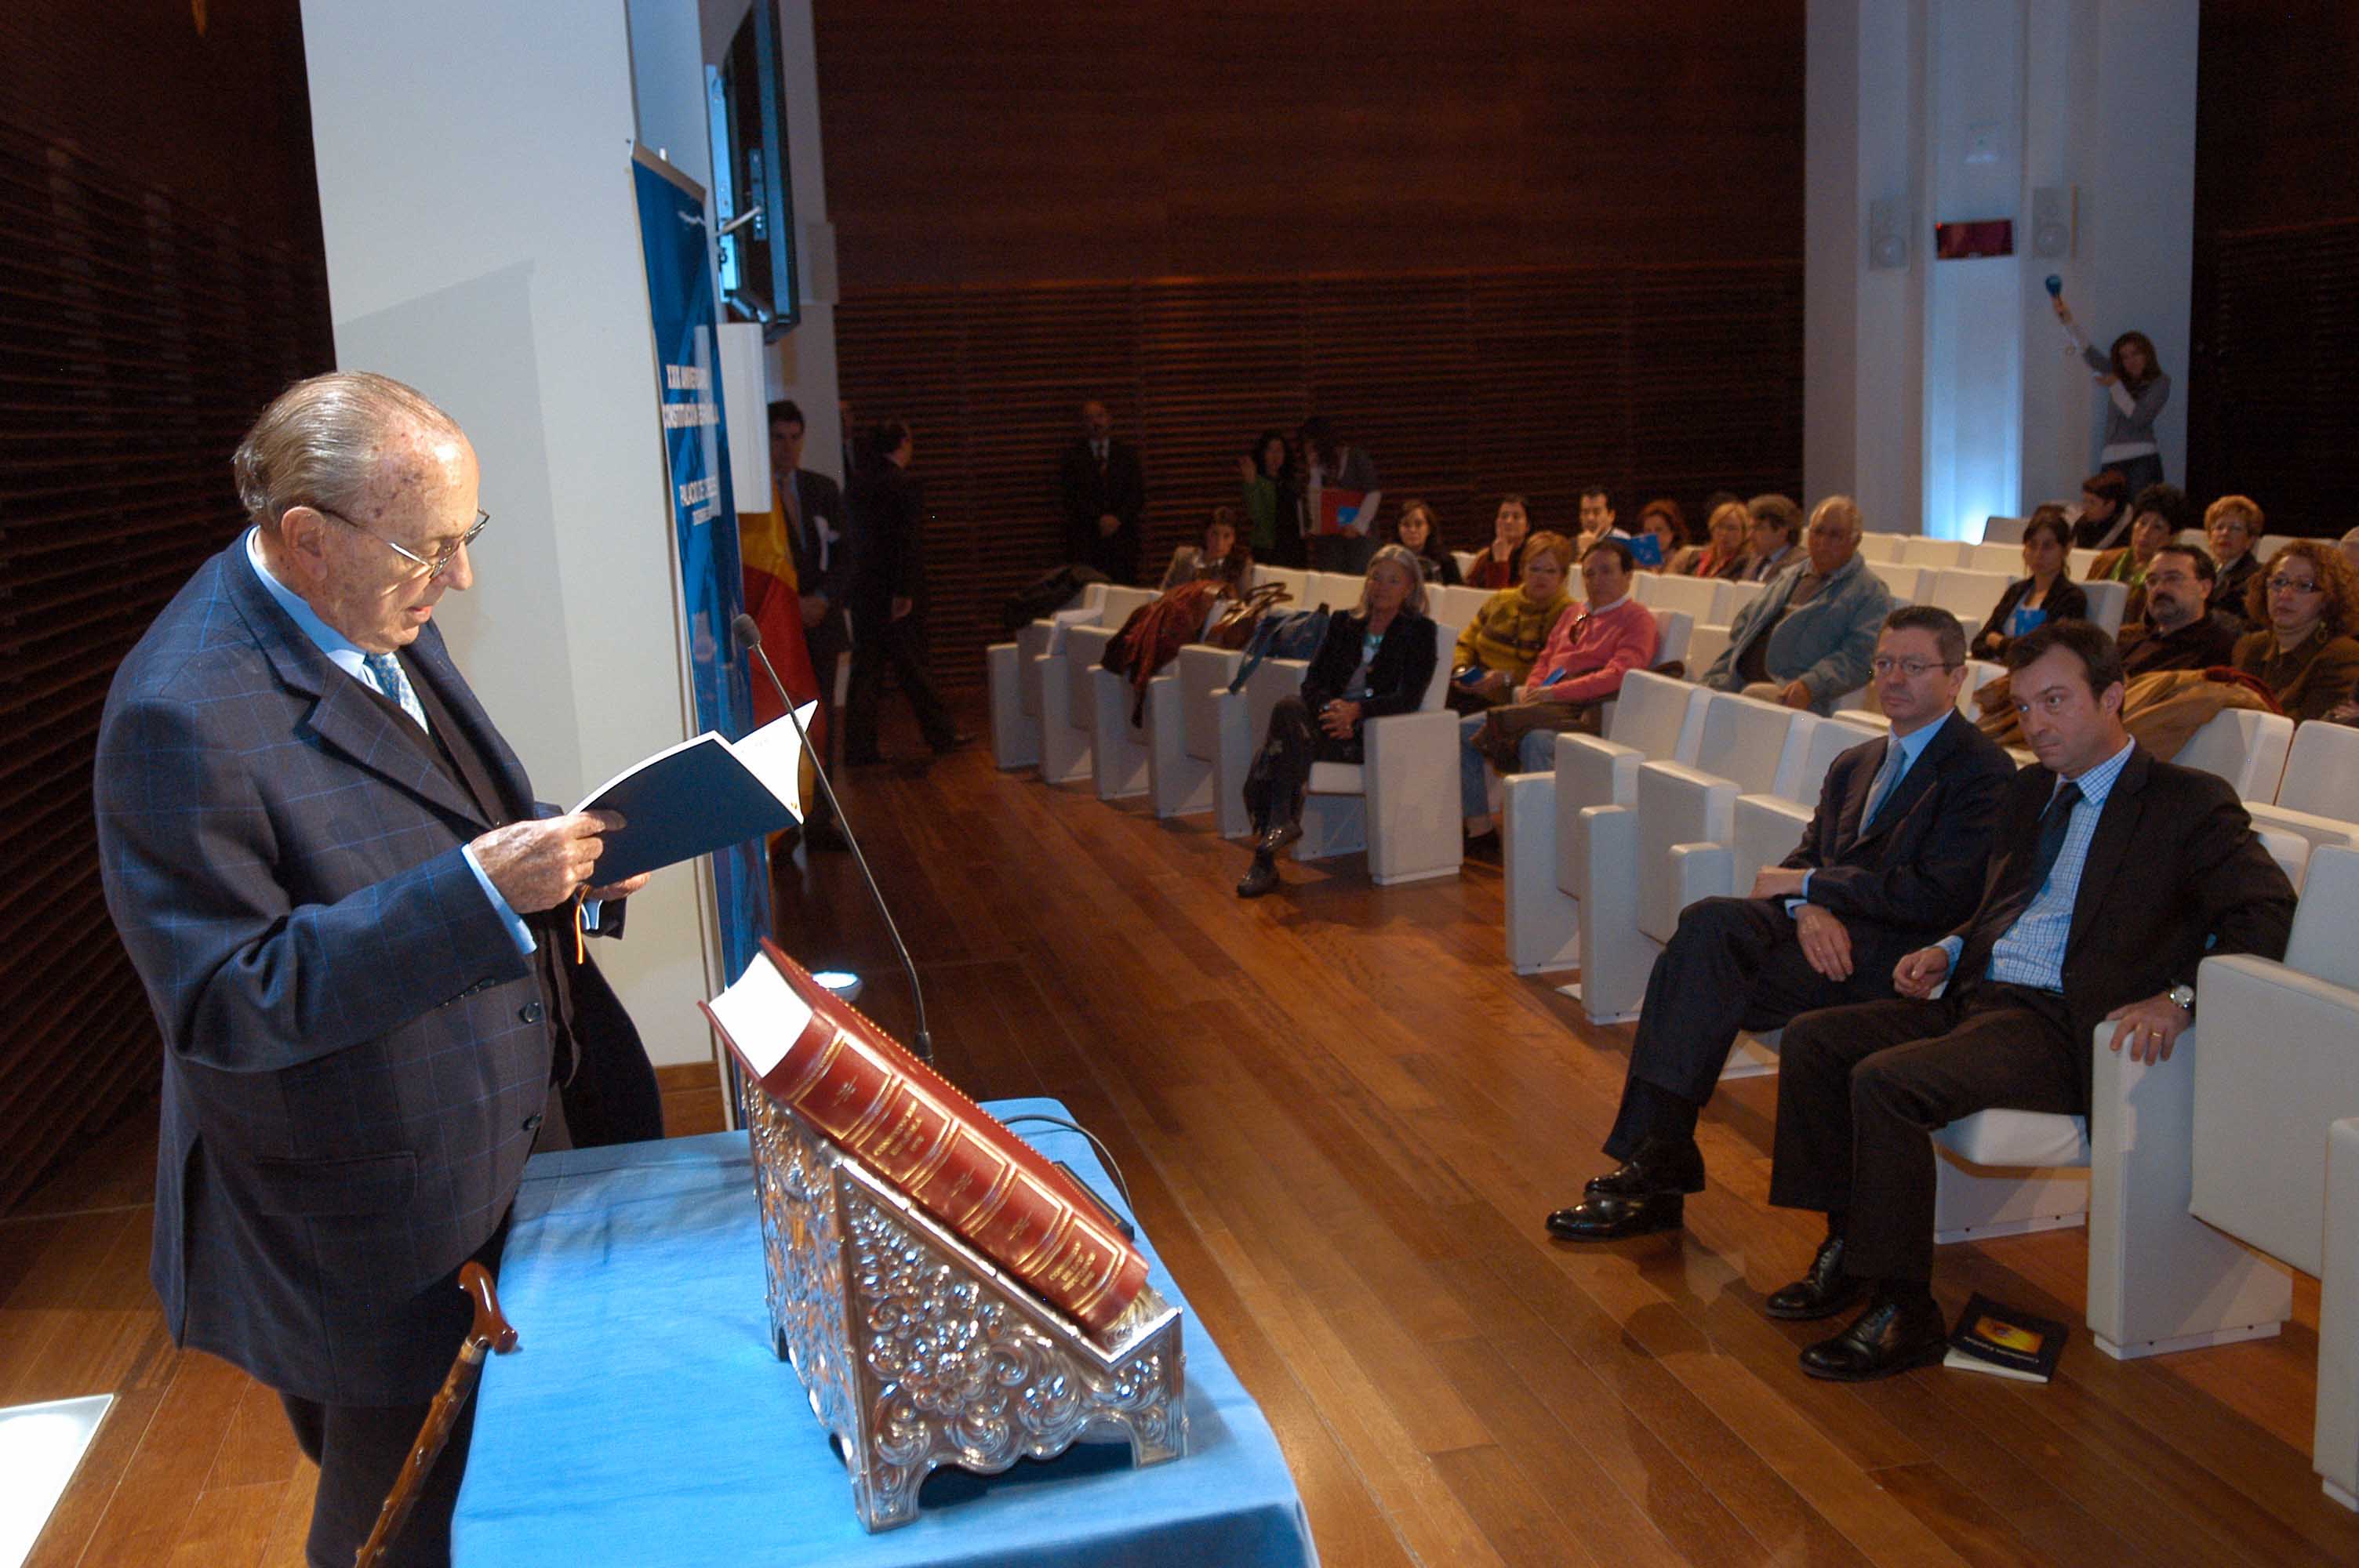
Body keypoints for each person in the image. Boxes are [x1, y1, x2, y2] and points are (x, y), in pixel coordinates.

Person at [93, 372, 665, 1568]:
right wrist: (476, 896)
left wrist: (560, 860)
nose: (459, 578)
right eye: (434, 546)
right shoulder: (180, 713)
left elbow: (408, 821)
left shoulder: (375, 599)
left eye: (469, 537)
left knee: (505, 1488)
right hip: (372, 1222)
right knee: (402, 1524)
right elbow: (228, 1000)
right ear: (306, 536)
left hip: (500, 1140)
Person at [1763, 619, 2294, 1381]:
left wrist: (2179, 996)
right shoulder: (2027, 789)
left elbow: (2264, 911)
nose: (2036, 723)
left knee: (1884, 1081)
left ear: (2112, 697)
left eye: (2055, 700)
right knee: (1815, 1038)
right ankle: (1847, 1249)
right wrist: (1945, 947)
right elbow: (2000, 901)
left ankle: (1904, 1308)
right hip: (1981, 995)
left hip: (2061, 1024)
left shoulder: (2184, 801)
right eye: (2024, 704)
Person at [1546, 608, 2012, 1240]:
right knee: (1707, 929)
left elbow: (1937, 894)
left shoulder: (1980, 771)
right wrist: (1808, 907)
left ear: (1956, 677)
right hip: (1820, 943)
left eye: (1914, 665)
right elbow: (1798, 863)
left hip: (1897, 964)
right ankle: (1658, 1155)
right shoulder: (1857, 761)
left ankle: (1658, 1167)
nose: (1894, 678)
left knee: (1702, 967)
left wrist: (1814, 886)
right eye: (1883, 664)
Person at [1236, 546, 1438, 898]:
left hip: (1369, 737)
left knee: (1280, 748)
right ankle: (1276, 832)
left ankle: (1267, 852)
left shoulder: (1420, 631)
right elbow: (1312, 683)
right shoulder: (1344, 622)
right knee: (1288, 707)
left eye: (1394, 580)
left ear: (1409, 588)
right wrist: (1333, 710)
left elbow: (1409, 698)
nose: (1382, 586)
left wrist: (1357, 714)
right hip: (1327, 725)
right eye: (1376, 576)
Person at [1459, 538, 1658, 838]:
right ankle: (1480, 827)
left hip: (1585, 712)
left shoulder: (1636, 618)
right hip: (1546, 706)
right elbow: (1548, 657)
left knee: (1535, 741)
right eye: (1590, 574)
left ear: (1629, 576)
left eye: (1607, 571)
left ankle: (1538, 839)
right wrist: (1534, 688)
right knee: (1461, 732)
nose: (1597, 581)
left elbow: (1619, 675)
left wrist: (1556, 693)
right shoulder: (1578, 613)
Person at [742, 398, 851, 851]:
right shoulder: (751, 502)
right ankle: (783, 832)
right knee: (777, 727)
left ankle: (822, 817)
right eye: (777, 439)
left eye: (793, 438)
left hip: (820, 623)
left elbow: (849, 555)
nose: (786, 448)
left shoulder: (822, 489)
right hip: (776, 632)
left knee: (819, 722)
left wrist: (822, 599)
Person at [845, 421, 971, 764]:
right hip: (896, 590)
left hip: (866, 590)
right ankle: (941, 734)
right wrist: (905, 589)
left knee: (866, 668)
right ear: (903, 443)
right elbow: (907, 542)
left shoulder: (858, 484)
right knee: (914, 666)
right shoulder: (905, 485)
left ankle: (858, 746)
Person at [1703, 495, 1892, 714]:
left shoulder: (1869, 593)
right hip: (1738, 680)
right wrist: (1717, 675)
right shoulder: (1790, 576)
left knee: (1746, 698)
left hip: (1793, 694)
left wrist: (1811, 684)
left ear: (1855, 540)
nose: (1822, 543)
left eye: (1835, 535)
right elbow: (1744, 626)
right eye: (1818, 532)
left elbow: (1861, 658)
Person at [1447, 531, 1576, 714]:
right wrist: (1461, 669)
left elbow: (1559, 670)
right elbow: (1464, 643)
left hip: (1518, 701)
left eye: (1550, 571)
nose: (1541, 577)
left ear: (1563, 576)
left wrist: (1507, 677)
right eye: (1534, 569)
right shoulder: (1501, 600)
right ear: (1522, 570)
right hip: (1472, 687)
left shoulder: (1570, 613)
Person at [2230, 539, 2359, 722]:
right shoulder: (2250, 645)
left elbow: (2304, 731)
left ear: (2329, 598)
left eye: (2303, 586)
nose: (2284, 595)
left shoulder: (2343, 656)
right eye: (2279, 582)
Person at [2052, 296, 2171, 494]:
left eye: (2136, 354)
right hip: (2111, 459)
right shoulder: (2118, 376)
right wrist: (2068, 322)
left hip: (2142, 459)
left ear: (2146, 354)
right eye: (2125, 357)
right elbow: (2091, 355)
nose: (2131, 361)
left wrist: (2115, 386)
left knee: (2138, 516)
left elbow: (2140, 418)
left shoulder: (2159, 382)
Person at [1972, 506, 2087, 659]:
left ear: (2065, 550)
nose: (2038, 554)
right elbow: (1979, 644)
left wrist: (1999, 642)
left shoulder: (2071, 598)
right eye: (2032, 546)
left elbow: (2045, 651)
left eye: (2048, 546)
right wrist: (2008, 646)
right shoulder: (2016, 591)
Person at [2114, 543, 2241, 677]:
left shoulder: (2221, 653)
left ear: (2204, 589)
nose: (2159, 588)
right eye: (2152, 581)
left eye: (2173, 579)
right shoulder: (2127, 640)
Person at [1058, 398, 1148, 584]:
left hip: (1123, 540)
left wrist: (1117, 519)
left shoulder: (1127, 455)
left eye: (1100, 416)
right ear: (1083, 424)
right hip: (1087, 542)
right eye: (1090, 418)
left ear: (1109, 419)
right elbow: (1070, 498)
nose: (1096, 423)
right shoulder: (1072, 458)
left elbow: (1137, 494)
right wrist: (1098, 519)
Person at [2088, 481, 2190, 624]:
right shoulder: (2105, 560)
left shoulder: (2169, 576)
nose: (2145, 533)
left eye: (2157, 527)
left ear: (2173, 536)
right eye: (2142, 523)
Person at [1298, 415, 1381, 573]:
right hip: (1330, 542)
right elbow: (1315, 505)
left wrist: (1358, 525)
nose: (1308, 448)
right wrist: (1314, 471)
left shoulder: (1355, 456)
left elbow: (1374, 493)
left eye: (1311, 442)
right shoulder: (1316, 467)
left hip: (1359, 538)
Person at [2205, 494, 2266, 633]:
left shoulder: (2257, 579)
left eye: (2235, 528)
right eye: (2219, 527)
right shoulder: (2200, 571)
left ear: (2250, 540)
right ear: (2209, 537)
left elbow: (2251, 628)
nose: (2225, 533)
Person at [1160, 506, 1253, 590]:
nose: (1219, 543)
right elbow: (1163, 593)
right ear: (1205, 533)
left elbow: (1244, 604)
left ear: (1234, 539)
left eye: (1227, 536)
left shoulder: (1241, 564)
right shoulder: (1183, 557)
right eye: (1214, 534)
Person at [1238, 429, 1289, 563]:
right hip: (1266, 548)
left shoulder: (1290, 481)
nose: (1275, 456)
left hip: (1291, 546)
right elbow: (1255, 514)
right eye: (1270, 450)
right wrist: (1251, 482)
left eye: (1279, 450)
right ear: (1263, 453)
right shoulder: (1255, 481)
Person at [1465, 495, 1533, 589]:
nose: (1509, 521)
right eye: (1504, 516)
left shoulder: (1533, 559)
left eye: (1516, 517)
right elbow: (1467, 591)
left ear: (1528, 526)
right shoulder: (1484, 556)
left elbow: (1504, 600)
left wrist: (1501, 562)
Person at [1394, 497, 1461, 585]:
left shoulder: (1446, 562)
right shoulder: (1390, 561)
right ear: (1398, 530)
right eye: (1406, 525)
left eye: (1418, 524)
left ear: (1429, 529)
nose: (1412, 530)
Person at [1681, 499, 1752, 580]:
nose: (1724, 533)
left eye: (1732, 528)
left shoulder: (1746, 564)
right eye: (1720, 526)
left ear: (1745, 532)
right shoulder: (1696, 558)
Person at [1742, 493, 1805, 581]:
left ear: (1782, 531)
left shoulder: (1799, 564)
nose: (1750, 536)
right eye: (1751, 528)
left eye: (1759, 528)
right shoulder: (1754, 560)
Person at [2070, 470, 2133, 551]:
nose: (2084, 508)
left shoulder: (2129, 532)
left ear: (2110, 505)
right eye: (2085, 501)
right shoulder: (2082, 524)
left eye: (2092, 503)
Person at [1634, 498, 1685, 572]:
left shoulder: (1684, 560)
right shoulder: (1640, 560)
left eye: (1659, 530)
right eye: (1648, 531)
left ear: (1673, 532)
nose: (1653, 536)